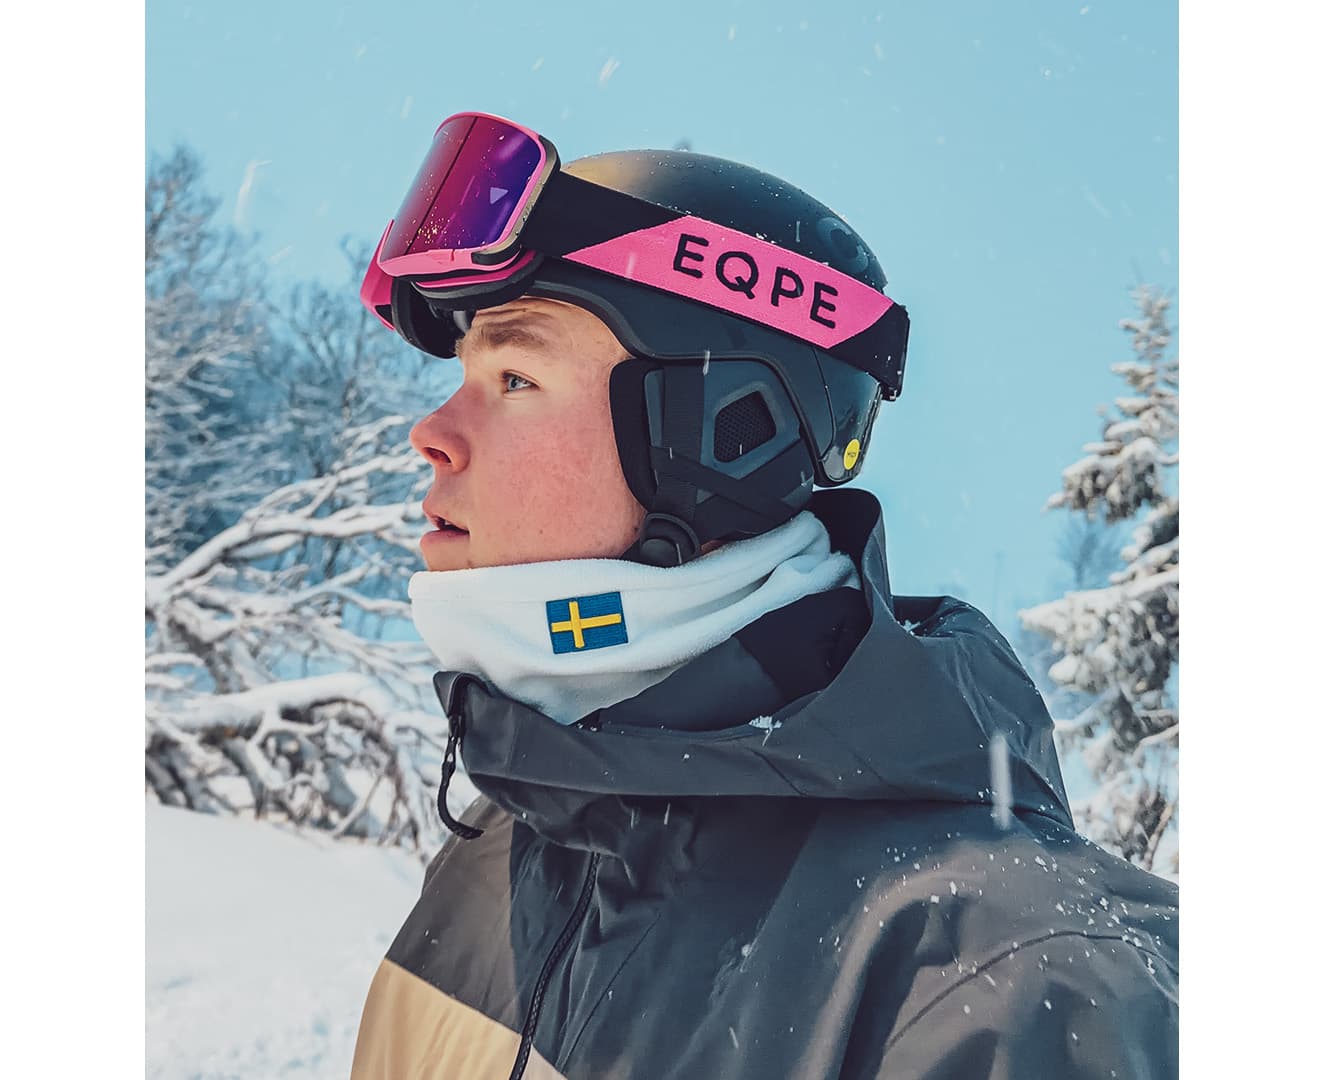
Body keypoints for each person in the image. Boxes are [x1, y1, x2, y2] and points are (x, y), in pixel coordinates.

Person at [350, 112, 1178, 1079]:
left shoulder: (1022, 979)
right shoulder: (501, 853)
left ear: (718, 436)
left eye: (516, 376)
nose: (432, 432)